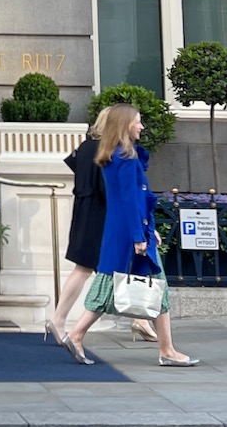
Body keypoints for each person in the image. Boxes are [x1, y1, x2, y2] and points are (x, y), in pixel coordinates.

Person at [62, 102, 200, 367]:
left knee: (108, 286)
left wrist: (146, 229)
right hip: (130, 233)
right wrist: (141, 236)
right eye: (138, 121)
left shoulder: (113, 155)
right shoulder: (126, 158)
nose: (142, 126)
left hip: (119, 231)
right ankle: (167, 350)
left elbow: (129, 200)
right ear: (125, 125)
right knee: (158, 287)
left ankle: (77, 334)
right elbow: (131, 199)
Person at [45, 106, 157, 345]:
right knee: (102, 269)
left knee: (90, 269)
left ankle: (140, 320)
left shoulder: (85, 147)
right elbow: (116, 191)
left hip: (84, 211)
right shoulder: (110, 151)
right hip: (104, 215)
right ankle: (61, 320)